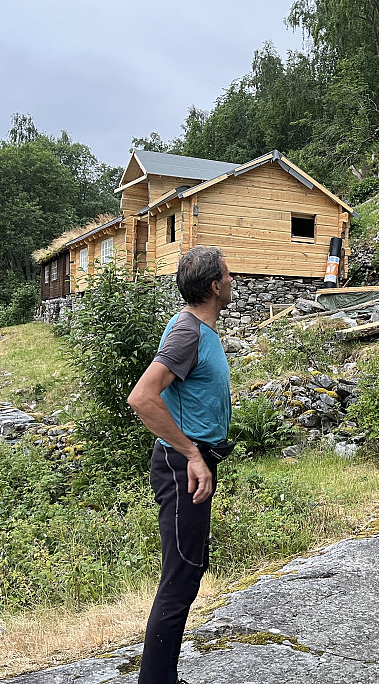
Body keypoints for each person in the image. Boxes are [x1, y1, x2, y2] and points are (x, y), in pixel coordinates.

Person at [127, 246, 235, 684]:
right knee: (182, 572)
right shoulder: (187, 332)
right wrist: (192, 454)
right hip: (180, 465)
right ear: (214, 286)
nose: (233, 280)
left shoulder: (201, 330)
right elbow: (142, 397)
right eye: (228, 275)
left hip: (194, 462)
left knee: (189, 566)